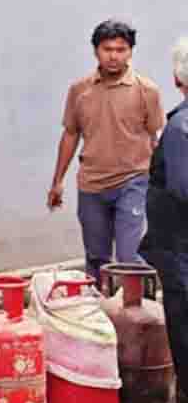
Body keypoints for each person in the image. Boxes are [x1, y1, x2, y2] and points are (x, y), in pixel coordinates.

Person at [48, 20, 164, 287]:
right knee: (97, 257)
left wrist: (160, 187)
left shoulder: (146, 91)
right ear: (96, 51)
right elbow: (70, 134)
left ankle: (143, 314)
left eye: (121, 49)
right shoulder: (80, 90)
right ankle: (101, 317)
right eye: (107, 49)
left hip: (132, 181)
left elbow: (156, 138)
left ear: (131, 52)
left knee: (127, 256)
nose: (114, 56)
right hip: (92, 184)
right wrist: (57, 182)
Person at [139, 37, 188, 403]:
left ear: (177, 79)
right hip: (176, 247)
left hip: (180, 249)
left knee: (183, 323)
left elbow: (182, 186)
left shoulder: (181, 127)